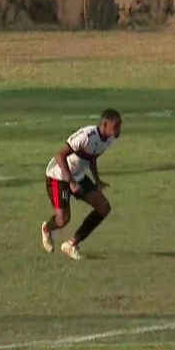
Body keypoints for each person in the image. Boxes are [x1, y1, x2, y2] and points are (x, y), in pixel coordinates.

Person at [42, 109, 123, 260]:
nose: (118, 129)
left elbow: (92, 157)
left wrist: (97, 180)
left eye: (120, 125)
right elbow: (60, 156)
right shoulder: (86, 135)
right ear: (105, 124)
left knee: (103, 207)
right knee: (63, 220)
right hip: (58, 176)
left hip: (78, 176)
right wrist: (71, 182)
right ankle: (47, 228)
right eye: (116, 125)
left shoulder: (109, 140)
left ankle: (72, 244)